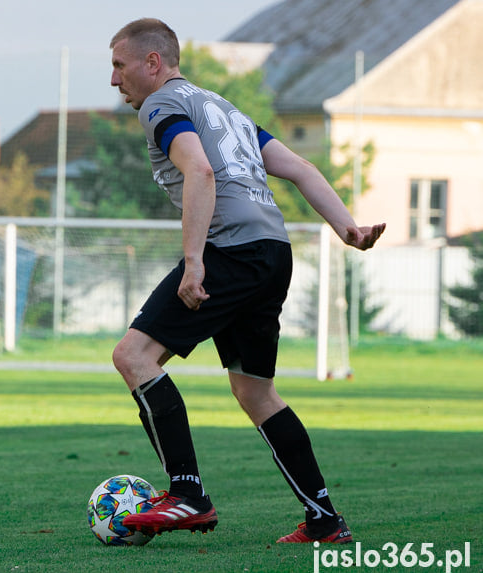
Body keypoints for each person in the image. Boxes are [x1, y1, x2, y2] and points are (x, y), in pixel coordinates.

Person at [108, 19, 386, 544]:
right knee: (256, 391)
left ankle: (188, 495)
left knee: (133, 356)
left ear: (153, 63)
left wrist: (194, 262)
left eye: (120, 66)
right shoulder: (223, 108)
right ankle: (324, 519)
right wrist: (346, 228)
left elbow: (200, 172)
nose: (115, 80)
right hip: (272, 252)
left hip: (228, 251)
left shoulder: (160, 105)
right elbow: (300, 167)